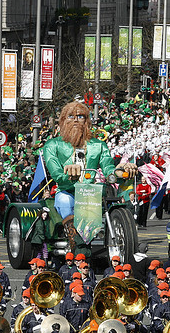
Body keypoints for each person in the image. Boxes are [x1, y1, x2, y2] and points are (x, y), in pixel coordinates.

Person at [42, 102, 137, 252]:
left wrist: (119, 171)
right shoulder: (52, 145)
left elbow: (108, 168)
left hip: (91, 193)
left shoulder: (98, 145)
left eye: (80, 116)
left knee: (107, 203)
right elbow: (56, 174)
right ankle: (75, 243)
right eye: (71, 116)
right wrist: (69, 175)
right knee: (66, 201)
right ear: (62, 121)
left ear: (87, 121)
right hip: (67, 192)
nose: (75, 120)